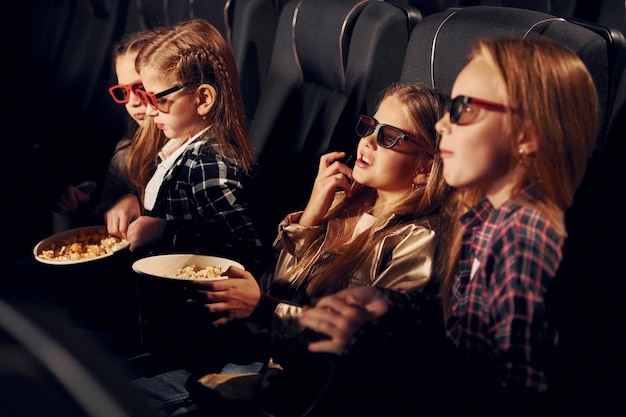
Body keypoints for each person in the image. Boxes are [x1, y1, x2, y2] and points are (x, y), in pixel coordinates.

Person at [296, 36, 599, 417]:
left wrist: (370, 344)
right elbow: (461, 330)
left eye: (464, 109)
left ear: (526, 137)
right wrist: (389, 305)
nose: (443, 125)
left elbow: (510, 397)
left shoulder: (525, 239)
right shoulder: (484, 219)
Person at [122, 82, 455, 416]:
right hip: (266, 361)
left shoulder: (419, 239)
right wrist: (311, 217)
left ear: (426, 167)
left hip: (310, 395)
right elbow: (277, 288)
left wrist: (264, 309)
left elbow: (359, 348)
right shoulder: (346, 203)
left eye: (389, 137)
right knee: (118, 387)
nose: (367, 141)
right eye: (370, 127)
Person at [119, 18, 264, 274]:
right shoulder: (177, 146)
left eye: (158, 99)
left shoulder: (209, 166)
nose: (150, 111)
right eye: (146, 98)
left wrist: (166, 232)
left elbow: (247, 251)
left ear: (203, 98)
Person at [52, 29, 164, 235]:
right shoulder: (125, 156)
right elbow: (104, 234)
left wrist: (140, 205)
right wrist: (77, 207)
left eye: (140, 87)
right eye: (123, 91)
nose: (132, 101)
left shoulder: (201, 153)